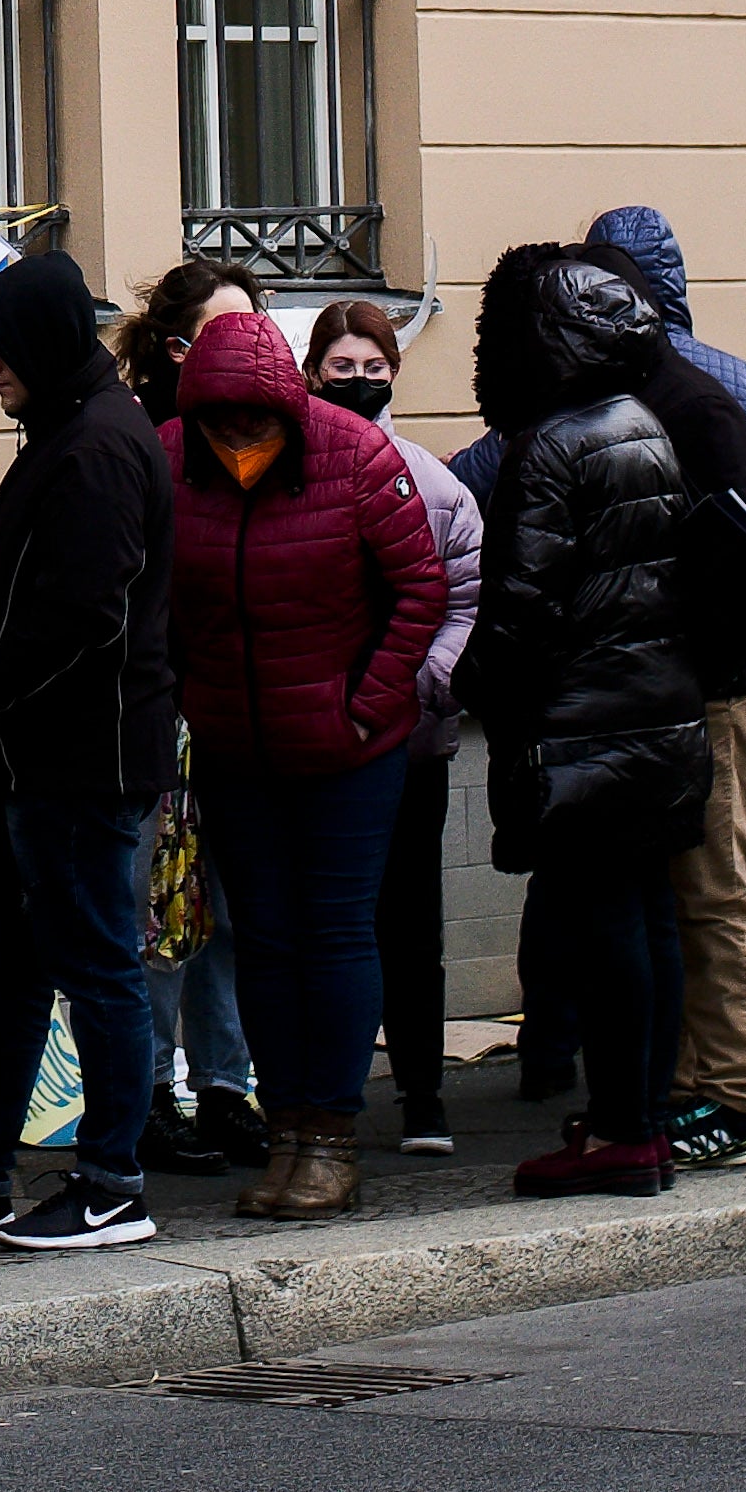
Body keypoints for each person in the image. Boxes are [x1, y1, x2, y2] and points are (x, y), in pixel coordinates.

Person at [159, 298, 449, 1219]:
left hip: (347, 751)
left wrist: (366, 708)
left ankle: (330, 1135)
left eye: (255, 420)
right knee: (266, 943)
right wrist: (184, 697)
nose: (239, 437)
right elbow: (149, 594)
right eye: (220, 421)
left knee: (332, 936)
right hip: (237, 749)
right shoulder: (171, 461)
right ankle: (283, 1127)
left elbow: (420, 591)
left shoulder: (357, 458)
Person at [460, 241, 708, 1185]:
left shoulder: (555, 444)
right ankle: (638, 1117)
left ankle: (621, 1132)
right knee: (644, 919)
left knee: (605, 929)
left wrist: (465, 682)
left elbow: (523, 602)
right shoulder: (642, 422)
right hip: (652, 713)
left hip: (586, 723)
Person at [0, 247, 172, 1247]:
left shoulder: (93, 448)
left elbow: (78, 613)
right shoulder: (73, 433)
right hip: (45, 753)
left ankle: (112, 1179)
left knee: (94, 964)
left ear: (37, 341)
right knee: (28, 965)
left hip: (79, 757)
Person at [581, 207, 746, 1173]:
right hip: (659, 687)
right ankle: (681, 1087)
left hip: (709, 687)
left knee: (711, 893)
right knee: (668, 899)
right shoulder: (631, 398)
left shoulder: (704, 401)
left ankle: (728, 1097)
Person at [302, 298, 479, 1155]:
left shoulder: (434, 482)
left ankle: (421, 1093)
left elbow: (464, 600)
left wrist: (420, 687)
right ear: (312, 374)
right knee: (317, 921)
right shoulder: (289, 474)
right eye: (343, 368)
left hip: (409, 739)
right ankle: (310, 1099)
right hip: (311, 741)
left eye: (373, 368)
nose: (360, 382)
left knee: (410, 923)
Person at [112, 256, 268, 1168]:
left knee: (227, 911)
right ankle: (151, 1092)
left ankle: (224, 1084)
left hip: (234, 705)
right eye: (221, 331)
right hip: (161, 708)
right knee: (155, 914)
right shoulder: (144, 437)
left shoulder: (254, 437)